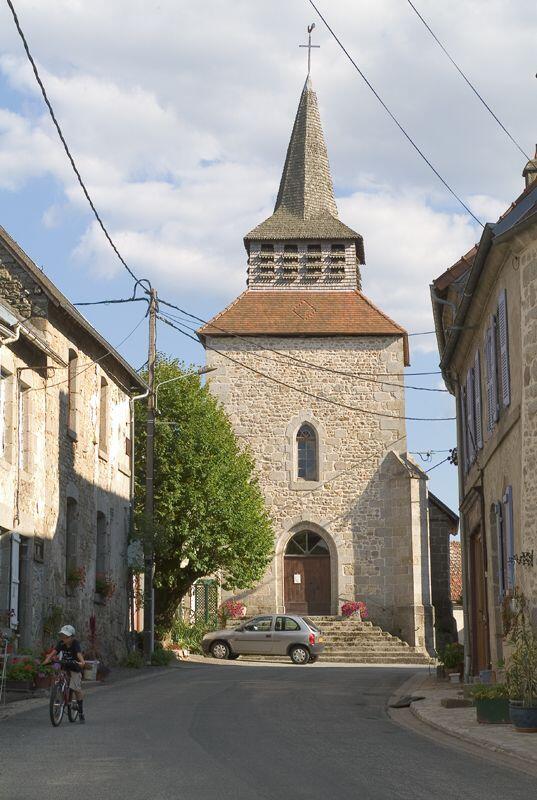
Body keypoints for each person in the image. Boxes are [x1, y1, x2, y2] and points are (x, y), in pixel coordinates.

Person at [43, 624, 86, 723]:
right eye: (62, 636)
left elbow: (79, 654)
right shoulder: (61, 643)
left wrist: (82, 662)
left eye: (66, 637)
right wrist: (47, 659)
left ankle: (80, 712)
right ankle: (59, 694)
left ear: (72, 637)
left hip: (75, 667)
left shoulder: (75, 644)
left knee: (76, 689)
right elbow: (54, 652)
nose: (64, 639)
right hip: (65, 666)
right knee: (59, 678)